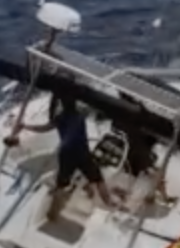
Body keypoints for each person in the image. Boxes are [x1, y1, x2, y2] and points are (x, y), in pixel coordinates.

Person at [14, 93, 116, 221]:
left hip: (66, 153)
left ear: (62, 104)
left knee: (61, 185)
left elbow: (44, 128)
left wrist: (25, 126)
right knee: (98, 179)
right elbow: (97, 113)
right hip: (81, 152)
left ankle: (52, 213)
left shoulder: (60, 118)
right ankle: (108, 203)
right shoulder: (81, 116)